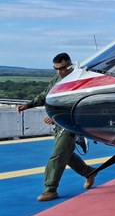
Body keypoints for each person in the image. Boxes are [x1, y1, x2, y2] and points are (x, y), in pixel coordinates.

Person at [18, 52, 98, 202]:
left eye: (62, 68)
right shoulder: (58, 78)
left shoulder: (79, 79)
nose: (59, 72)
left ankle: (50, 190)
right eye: (56, 69)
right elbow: (46, 95)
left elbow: (81, 103)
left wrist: (57, 115)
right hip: (60, 122)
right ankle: (89, 172)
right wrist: (29, 105)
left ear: (70, 65)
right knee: (65, 155)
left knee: (57, 156)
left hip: (72, 124)